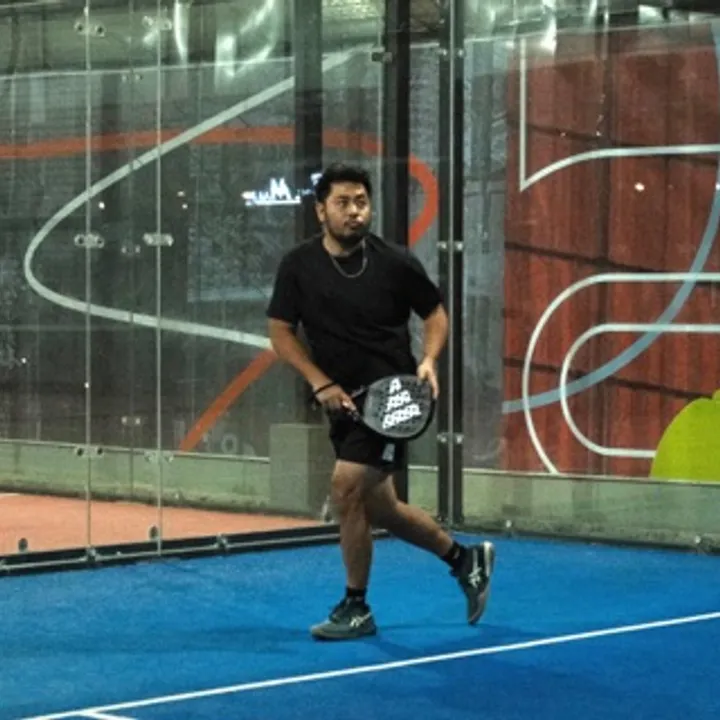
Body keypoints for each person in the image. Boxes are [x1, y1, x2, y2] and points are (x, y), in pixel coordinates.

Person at [266, 163, 495, 640]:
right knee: (382, 509)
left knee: (345, 488)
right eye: (342, 203)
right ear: (321, 211)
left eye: (361, 202)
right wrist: (320, 383)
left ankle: (356, 607)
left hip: (395, 398)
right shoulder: (298, 265)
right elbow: (281, 332)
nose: (354, 212)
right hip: (342, 403)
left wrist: (429, 360)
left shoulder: (395, 262)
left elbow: (434, 313)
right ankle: (465, 560)